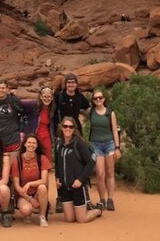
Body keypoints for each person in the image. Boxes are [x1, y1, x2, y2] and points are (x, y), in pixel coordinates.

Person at [53, 73, 90, 213]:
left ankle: (83, 195)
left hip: (76, 132)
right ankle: (60, 197)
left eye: (73, 82)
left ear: (76, 84)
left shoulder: (80, 97)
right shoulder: (59, 96)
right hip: (61, 132)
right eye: (68, 83)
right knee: (61, 162)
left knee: (78, 161)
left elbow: (87, 109)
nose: (71, 85)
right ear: (65, 84)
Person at [55, 117, 102, 224]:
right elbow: (57, 164)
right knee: (69, 219)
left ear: (74, 129)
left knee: (81, 219)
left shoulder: (79, 143)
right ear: (61, 127)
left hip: (78, 186)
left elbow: (90, 163)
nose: (68, 129)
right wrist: (57, 178)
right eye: (65, 126)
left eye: (70, 127)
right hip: (65, 187)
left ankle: (98, 210)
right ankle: (83, 209)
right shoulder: (59, 144)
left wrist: (80, 180)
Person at [89, 90, 121, 211]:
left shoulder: (110, 113)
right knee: (100, 174)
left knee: (110, 173)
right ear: (93, 100)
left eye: (100, 98)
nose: (98, 100)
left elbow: (115, 130)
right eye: (95, 98)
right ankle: (102, 199)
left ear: (104, 99)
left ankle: (110, 199)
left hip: (109, 144)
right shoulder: (91, 112)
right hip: (96, 145)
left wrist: (117, 147)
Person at [11, 133, 51, 227]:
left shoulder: (42, 158)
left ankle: (42, 216)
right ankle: (28, 212)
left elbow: (44, 180)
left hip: (37, 192)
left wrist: (29, 183)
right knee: (26, 210)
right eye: (29, 142)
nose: (31, 145)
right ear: (24, 144)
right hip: (23, 194)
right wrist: (29, 199)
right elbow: (16, 186)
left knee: (42, 187)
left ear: (37, 145)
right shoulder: (18, 160)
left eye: (34, 143)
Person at [0, 80, 26, 158]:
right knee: (0, 167)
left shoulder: (13, 100)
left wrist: (21, 130)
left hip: (12, 139)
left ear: (7, 89)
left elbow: (22, 114)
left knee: (13, 166)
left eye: (3, 88)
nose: (1, 90)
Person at [22, 86, 55, 154]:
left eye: (49, 97)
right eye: (44, 96)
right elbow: (18, 102)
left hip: (46, 138)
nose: (47, 99)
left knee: (47, 159)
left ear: (52, 98)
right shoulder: (33, 105)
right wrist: (11, 95)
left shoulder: (52, 109)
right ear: (40, 97)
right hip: (34, 137)